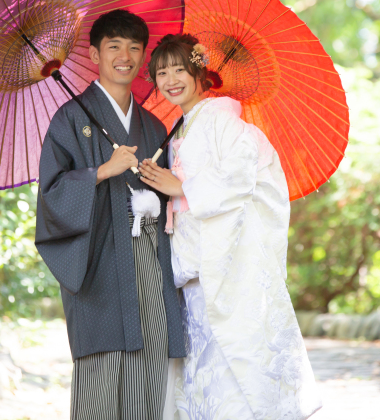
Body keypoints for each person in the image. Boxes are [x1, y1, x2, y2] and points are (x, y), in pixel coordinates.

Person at [138, 33, 322, 420]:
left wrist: (181, 187)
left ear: (199, 72)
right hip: (194, 263)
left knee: (231, 362)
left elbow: (241, 177)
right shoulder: (181, 128)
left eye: (179, 70)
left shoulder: (222, 119)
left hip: (224, 262)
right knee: (204, 367)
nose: (170, 80)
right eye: (161, 73)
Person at [35, 10, 185, 420]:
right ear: (94, 54)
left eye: (134, 48)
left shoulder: (154, 126)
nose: (125, 56)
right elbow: (51, 194)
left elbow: (174, 193)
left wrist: (164, 190)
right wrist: (102, 171)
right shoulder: (70, 119)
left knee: (151, 355)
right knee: (102, 368)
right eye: (114, 46)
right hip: (98, 259)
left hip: (151, 255)